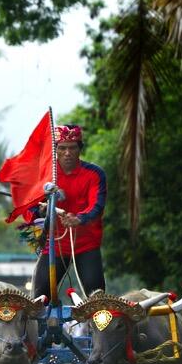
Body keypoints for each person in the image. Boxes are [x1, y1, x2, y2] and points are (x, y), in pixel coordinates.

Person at [30, 124, 107, 300]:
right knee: (38, 300)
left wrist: (79, 219)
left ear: (80, 149)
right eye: (62, 148)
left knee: (98, 299)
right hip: (54, 244)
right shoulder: (46, 174)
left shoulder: (95, 174)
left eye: (72, 148)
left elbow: (97, 206)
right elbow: (33, 206)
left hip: (86, 244)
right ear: (55, 150)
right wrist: (42, 210)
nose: (67, 153)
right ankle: (45, 327)